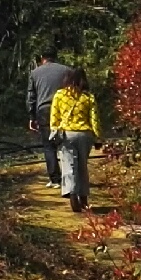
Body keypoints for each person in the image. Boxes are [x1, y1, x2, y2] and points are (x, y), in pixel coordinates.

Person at [26, 53, 81, 187]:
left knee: (48, 145)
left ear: (41, 58)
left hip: (44, 109)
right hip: (64, 108)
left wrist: (32, 117)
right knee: (65, 142)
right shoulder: (67, 70)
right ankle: (69, 177)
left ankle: (55, 179)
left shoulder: (35, 73)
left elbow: (31, 97)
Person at [47, 76, 101, 212]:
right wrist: (98, 138)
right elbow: (94, 119)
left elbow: (54, 117)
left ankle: (72, 195)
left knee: (69, 166)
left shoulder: (59, 95)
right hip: (84, 135)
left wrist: (54, 133)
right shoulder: (88, 97)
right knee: (82, 166)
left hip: (66, 135)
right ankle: (84, 199)